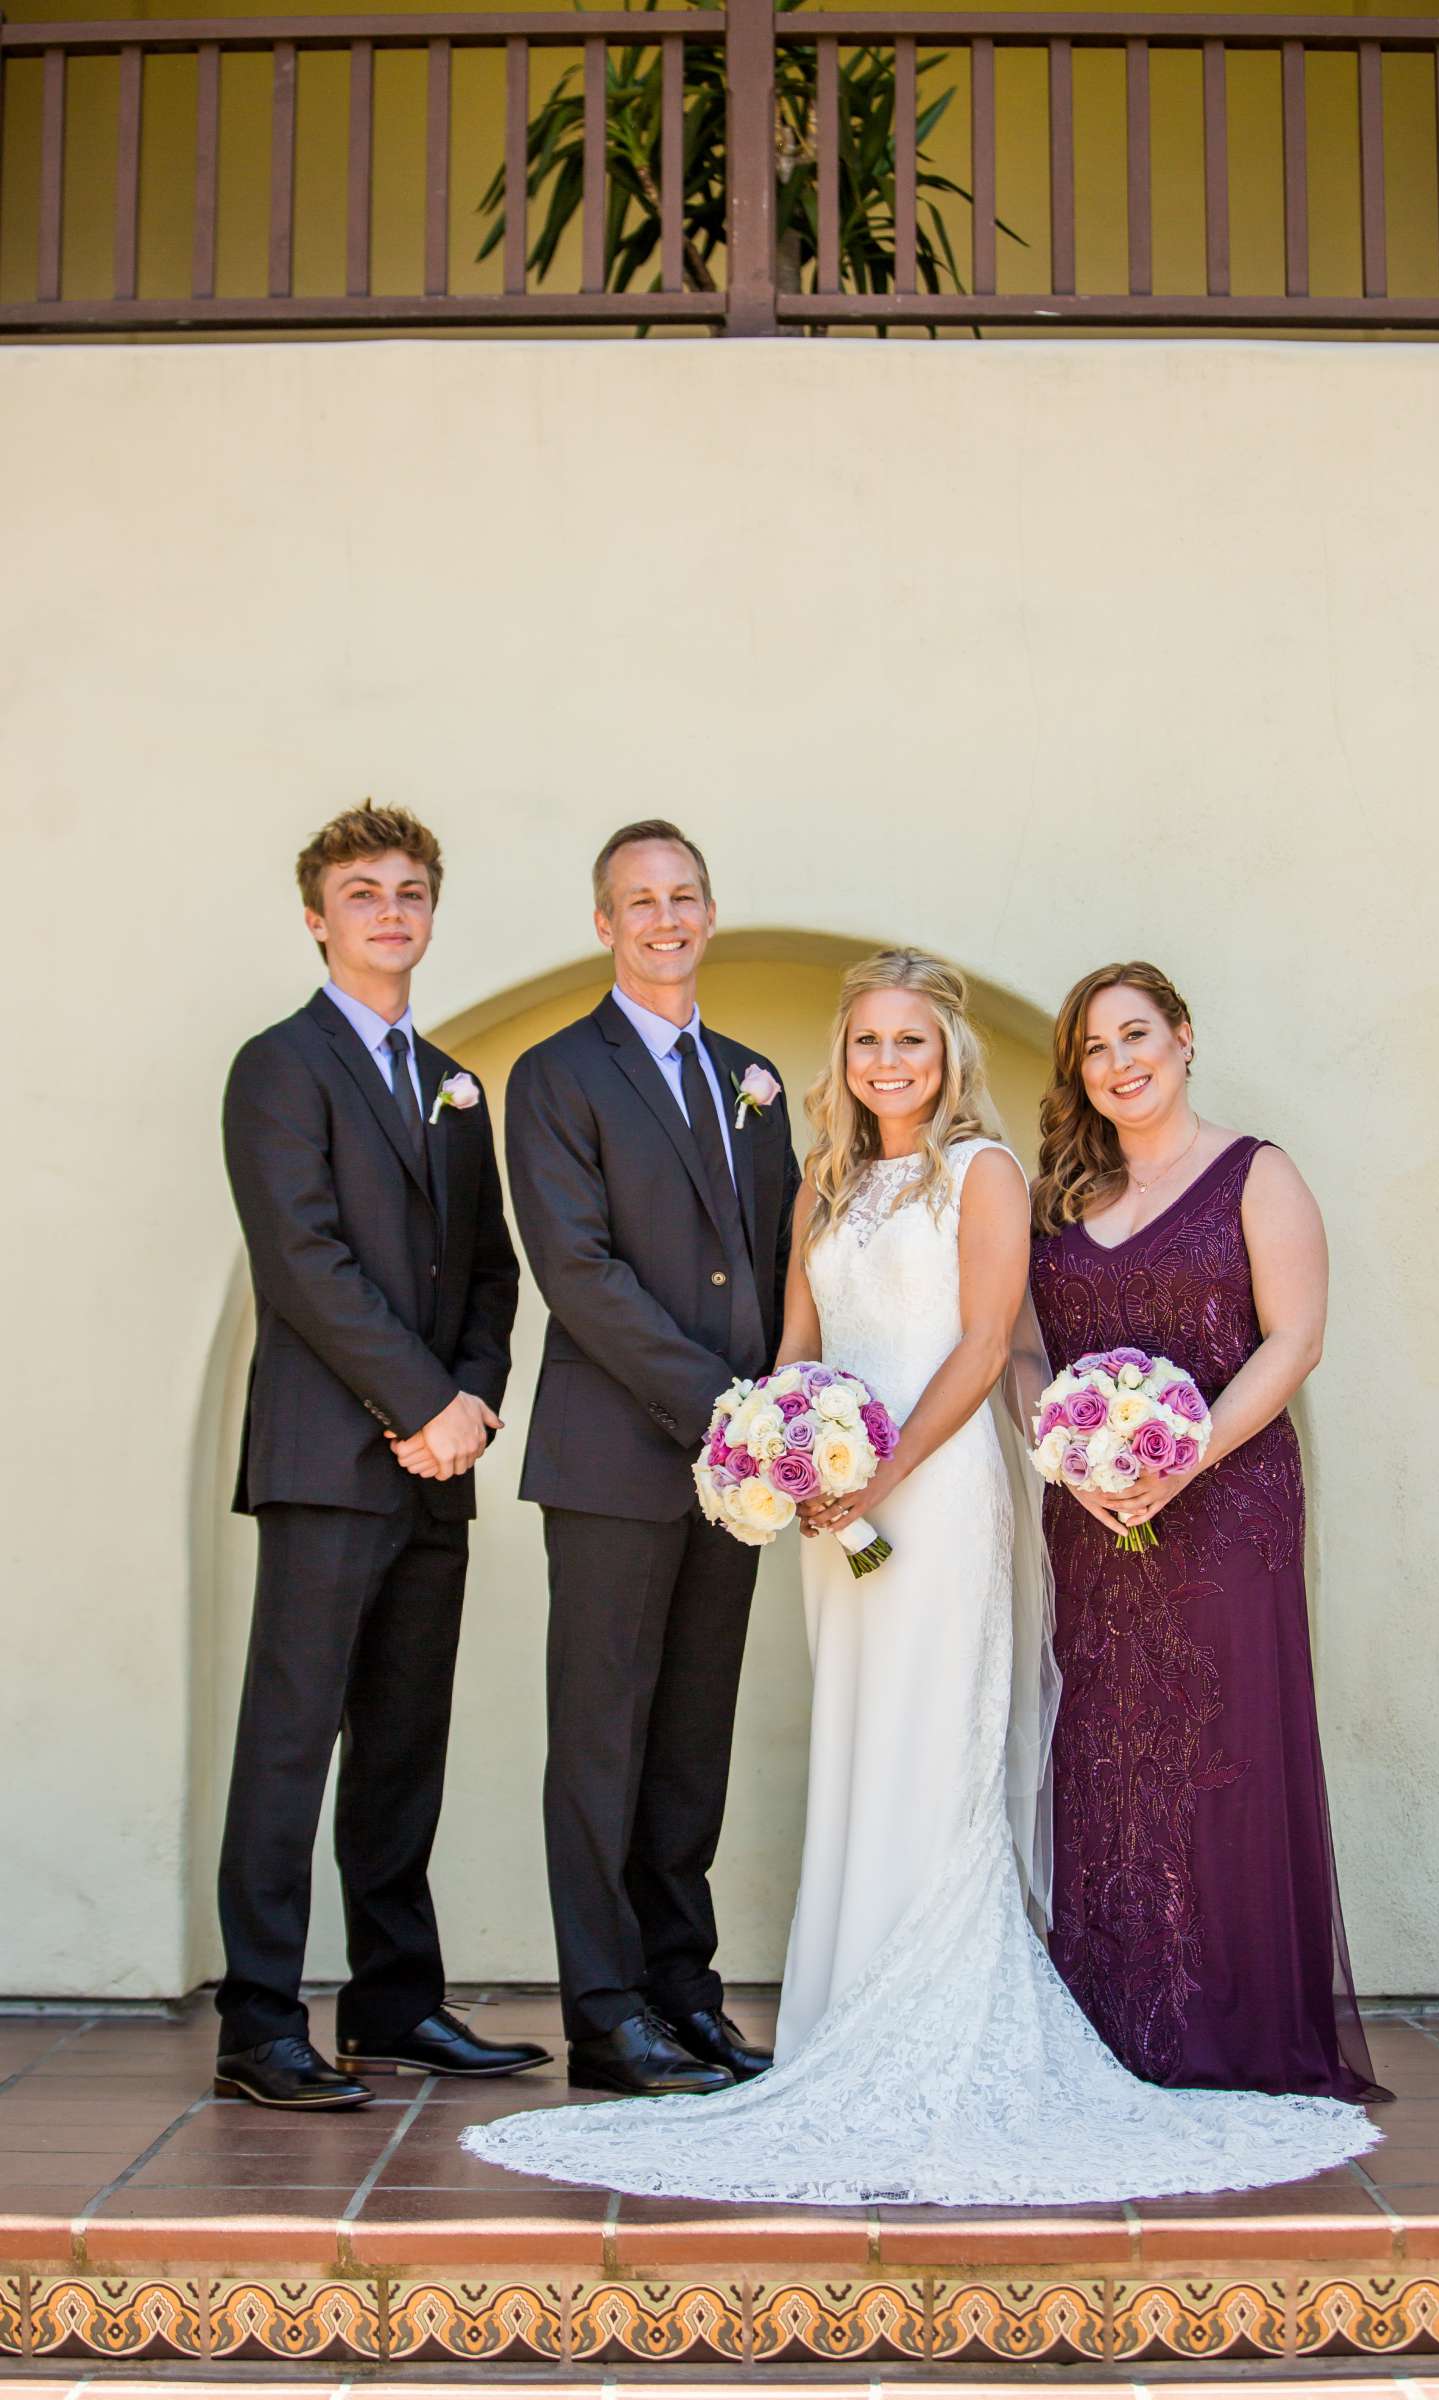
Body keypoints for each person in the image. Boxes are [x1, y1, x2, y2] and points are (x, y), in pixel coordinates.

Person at [462, 949, 1379, 2202]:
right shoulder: (825, 1184)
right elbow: (797, 1342)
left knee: (931, 1737)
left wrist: (882, 1470)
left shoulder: (984, 1174)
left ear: (948, 1055)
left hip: (932, 1493)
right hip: (839, 1507)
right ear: (843, 1062)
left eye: (911, 1040)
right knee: (857, 1736)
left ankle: (944, 2006)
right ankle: (846, 2015)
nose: (889, 1061)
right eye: (866, 1043)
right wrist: (780, 1454)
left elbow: (992, 1343)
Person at [215, 804, 543, 2110]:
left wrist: (466, 1400)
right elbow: (304, 1262)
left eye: (409, 891)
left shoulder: (451, 1083)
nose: (389, 911)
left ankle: (395, 2007)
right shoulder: (278, 1067)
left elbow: (487, 1268)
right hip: (324, 1460)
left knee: (405, 1742)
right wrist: (416, 1404)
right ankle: (256, 2022)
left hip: (435, 1464)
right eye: (362, 893)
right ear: (317, 914)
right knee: (291, 1742)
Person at [1029, 960, 1384, 2101]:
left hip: (1226, 1510)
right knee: (1104, 1752)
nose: (1120, 1063)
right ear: (1078, 1073)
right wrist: (1078, 1461)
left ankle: (1231, 2029)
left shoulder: (1254, 1173)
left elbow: (1296, 1339)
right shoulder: (1060, 1196)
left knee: (1221, 1751)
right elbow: (1028, 1353)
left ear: (1184, 1037)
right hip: (1092, 1516)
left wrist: (1180, 1459)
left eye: (1138, 1036)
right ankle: (1117, 2024)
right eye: (1096, 1048)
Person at [504, 820, 801, 2096]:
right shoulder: (554, 1075)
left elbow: (785, 1250)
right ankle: (606, 2012)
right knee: (602, 1739)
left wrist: (797, 1405)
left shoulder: (754, 1076)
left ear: (712, 910)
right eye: (640, 901)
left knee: (692, 1738)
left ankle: (686, 1990)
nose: (665, 917)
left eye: (684, 896)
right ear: (603, 924)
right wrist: (728, 1406)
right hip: (616, 1460)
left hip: (734, 1477)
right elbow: (579, 1274)